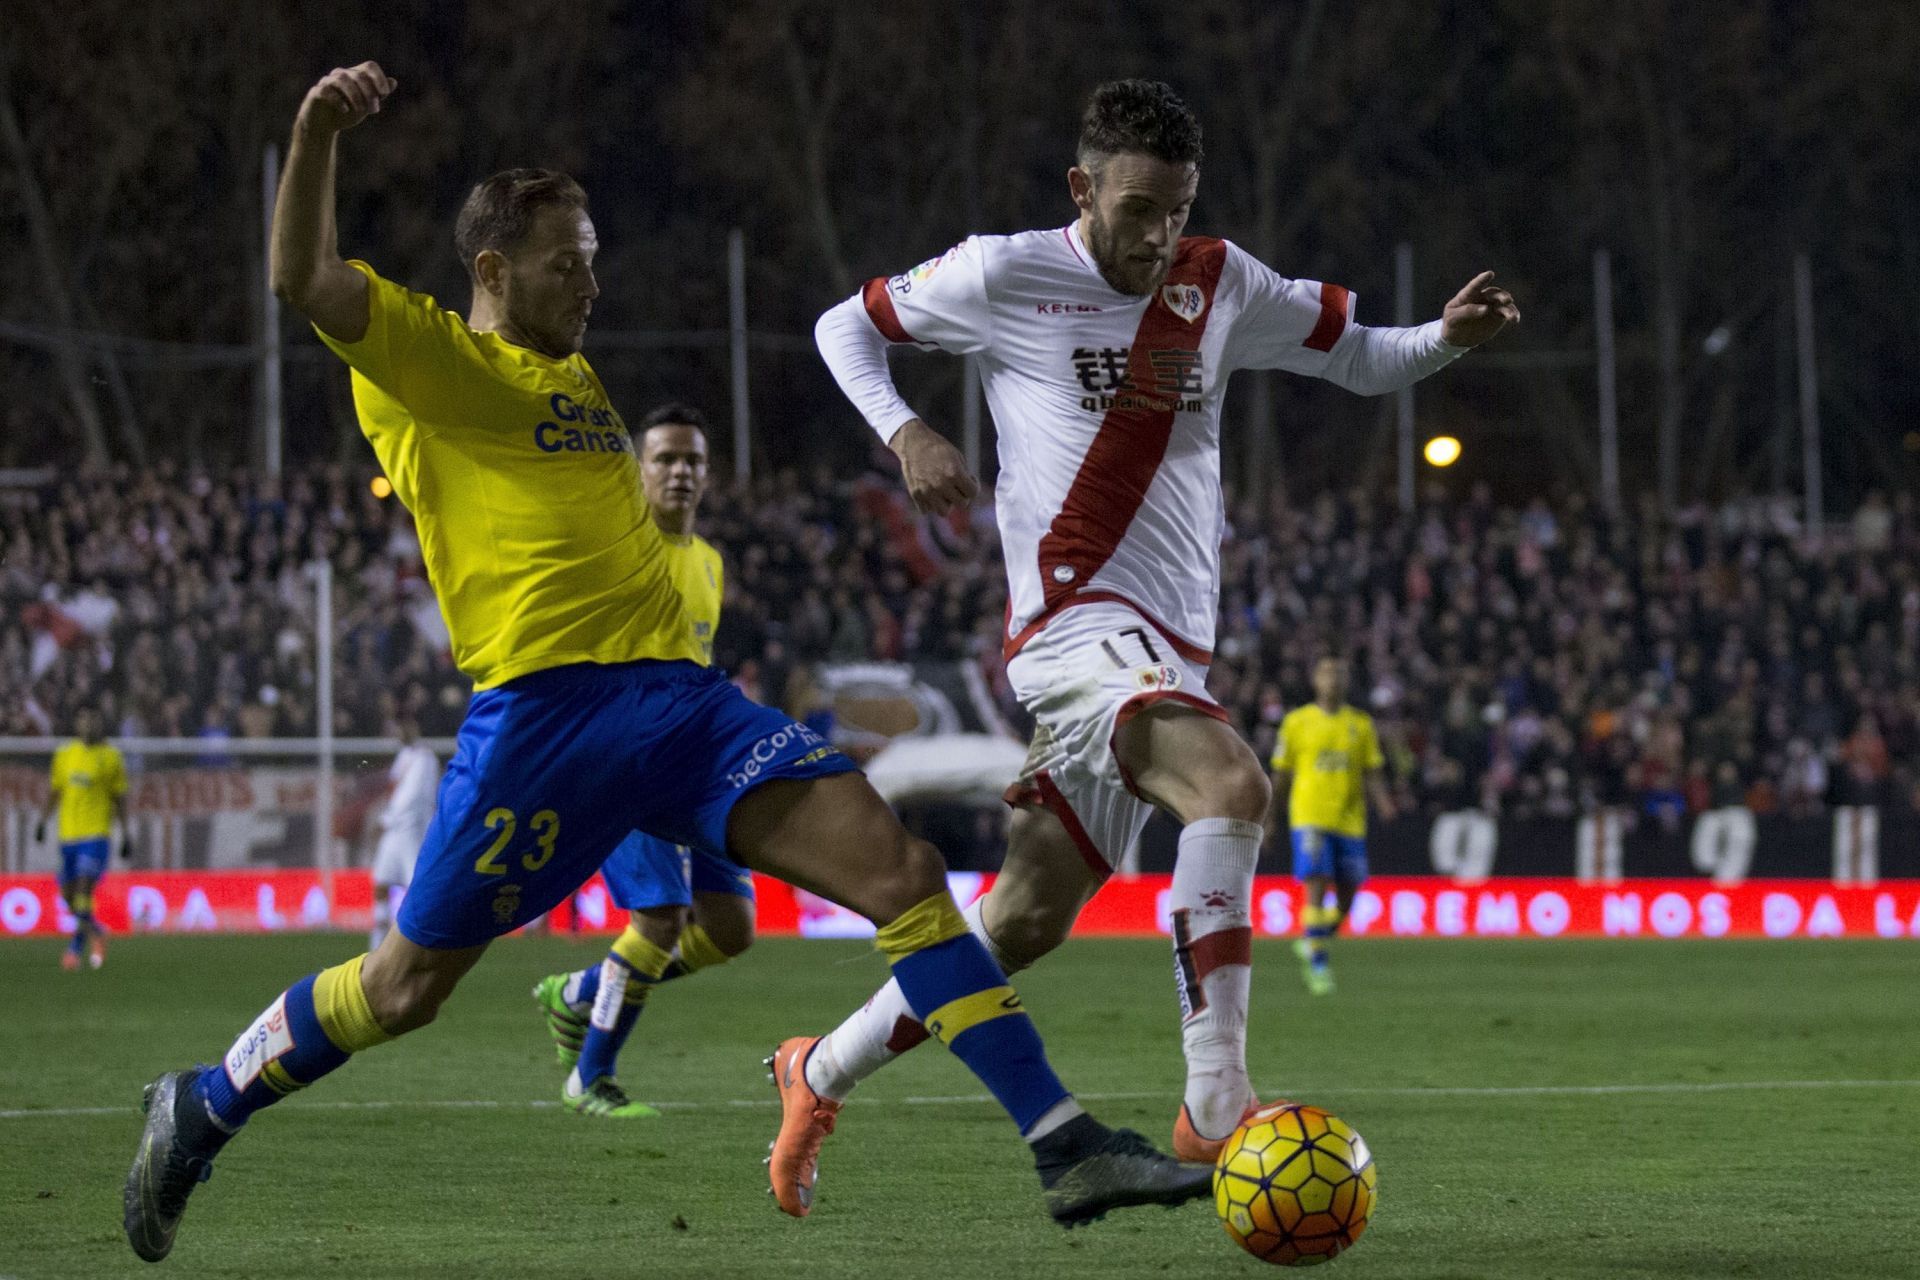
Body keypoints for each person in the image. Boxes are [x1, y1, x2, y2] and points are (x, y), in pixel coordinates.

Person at [121, 63, 1208, 1264]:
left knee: (902, 873)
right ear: (492, 272)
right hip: (546, 719)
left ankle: (1064, 1142)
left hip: (684, 705)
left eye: (593, 256)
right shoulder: (433, 366)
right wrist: (315, 129)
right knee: (401, 989)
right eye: (567, 261)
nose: (593, 280)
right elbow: (303, 279)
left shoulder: (574, 378)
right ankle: (205, 1101)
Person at [791, 76, 1517, 1207]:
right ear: (1082, 189)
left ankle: (817, 1065)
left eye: (1176, 209)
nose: (1158, 233)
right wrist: (908, 429)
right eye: (1137, 208)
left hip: (1170, 646)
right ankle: (1216, 1099)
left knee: (1023, 921)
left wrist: (1445, 338)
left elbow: (1363, 355)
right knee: (1229, 783)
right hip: (1074, 626)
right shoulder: (1002, 270)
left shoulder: (1219, 280)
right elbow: (847, 323)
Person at [530, 404, 762, 1118]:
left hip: (695, 760)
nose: (680, 472)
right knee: (659, 917)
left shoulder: (711, 565)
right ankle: (589, 1079)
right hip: (624, 760)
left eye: (692, 460)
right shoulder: (613, 553)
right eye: (664, 459)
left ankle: (580, 993)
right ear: (638, 472)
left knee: (730, 929)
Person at [1272, 656, 1393, 996]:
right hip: (1310, 816)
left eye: (1340, 673)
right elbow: (1281, 774)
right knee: (1316, 884)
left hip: (1350, 820)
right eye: (1326, 673)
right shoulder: (1297, 722)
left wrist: (1383, 803)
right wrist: (1270, 817)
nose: (1333, 679)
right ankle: (1319, 965)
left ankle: (1313, 938)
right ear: (1315, 680)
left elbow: (1372, 771)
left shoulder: (1360, 724)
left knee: (1348, 897)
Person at [37, 706, 129, 971]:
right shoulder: (65, 754)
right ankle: (97, 931)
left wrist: (126, 833)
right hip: (68, 835)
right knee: (68, 895)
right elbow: (55, 791)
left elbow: (119, 798)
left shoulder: (111, 757)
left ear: (100, 722)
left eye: (93, 719)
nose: (87, 724)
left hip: (96, 834)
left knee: (83, 888)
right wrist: (43, 821)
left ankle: (75, 949)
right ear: (77, 723)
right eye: (83, 718)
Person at [368, 716, 439, 950]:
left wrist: (386, 819)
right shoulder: (405, 756)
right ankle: (377, 943)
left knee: (415, 887)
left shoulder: (424, 758)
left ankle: (416, 940)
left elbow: (411, 800)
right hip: (395, 830)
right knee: (381, 883)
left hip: (411, 830)